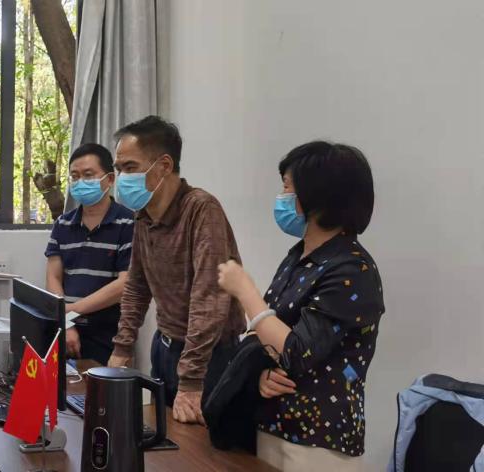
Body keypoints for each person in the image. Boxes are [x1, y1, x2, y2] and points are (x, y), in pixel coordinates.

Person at [217, 141, 383, 471]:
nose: (281, 198)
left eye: (286, 188)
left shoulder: (353, 268)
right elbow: (267, 335)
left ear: (317, 196)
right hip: (272, 422)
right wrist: (261, 376)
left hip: (318, 440)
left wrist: (246, 292)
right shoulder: (298, 257)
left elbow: (297, 351)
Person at [108, 115, 245, 425]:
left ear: (164, 166)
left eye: (130, 167)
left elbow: (209, 298)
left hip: (210, 356)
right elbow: (137, 285)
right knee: (163, 436)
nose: (121, 178)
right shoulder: (144, 216)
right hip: (165, 347)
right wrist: (123, 345)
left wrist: (192, 379)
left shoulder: (202, 209)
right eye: (118, 169)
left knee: (200, 447)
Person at [45, 143, 134, 365]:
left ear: (109, 179)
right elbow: (53, 277)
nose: (80, 182)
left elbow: (125, 285)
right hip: (65, 329)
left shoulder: (128, 222)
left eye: (88, 175)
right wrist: (67, 322)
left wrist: (73, 311)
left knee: (100, 387)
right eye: (75, 177)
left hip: (108, 334)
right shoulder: (63, 224)